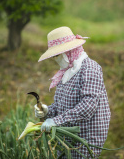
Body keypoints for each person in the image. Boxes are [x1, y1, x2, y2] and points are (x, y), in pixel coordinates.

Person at [35, 26, 111, 158]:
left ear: (69, 51)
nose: (55, 59)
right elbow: (61, 106)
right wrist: (48, 111)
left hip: (85, 139)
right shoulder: (65, 73)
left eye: (57, 55)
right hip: (67, 138)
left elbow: (88, 107)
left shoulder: (90, 69)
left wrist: (56, 121)